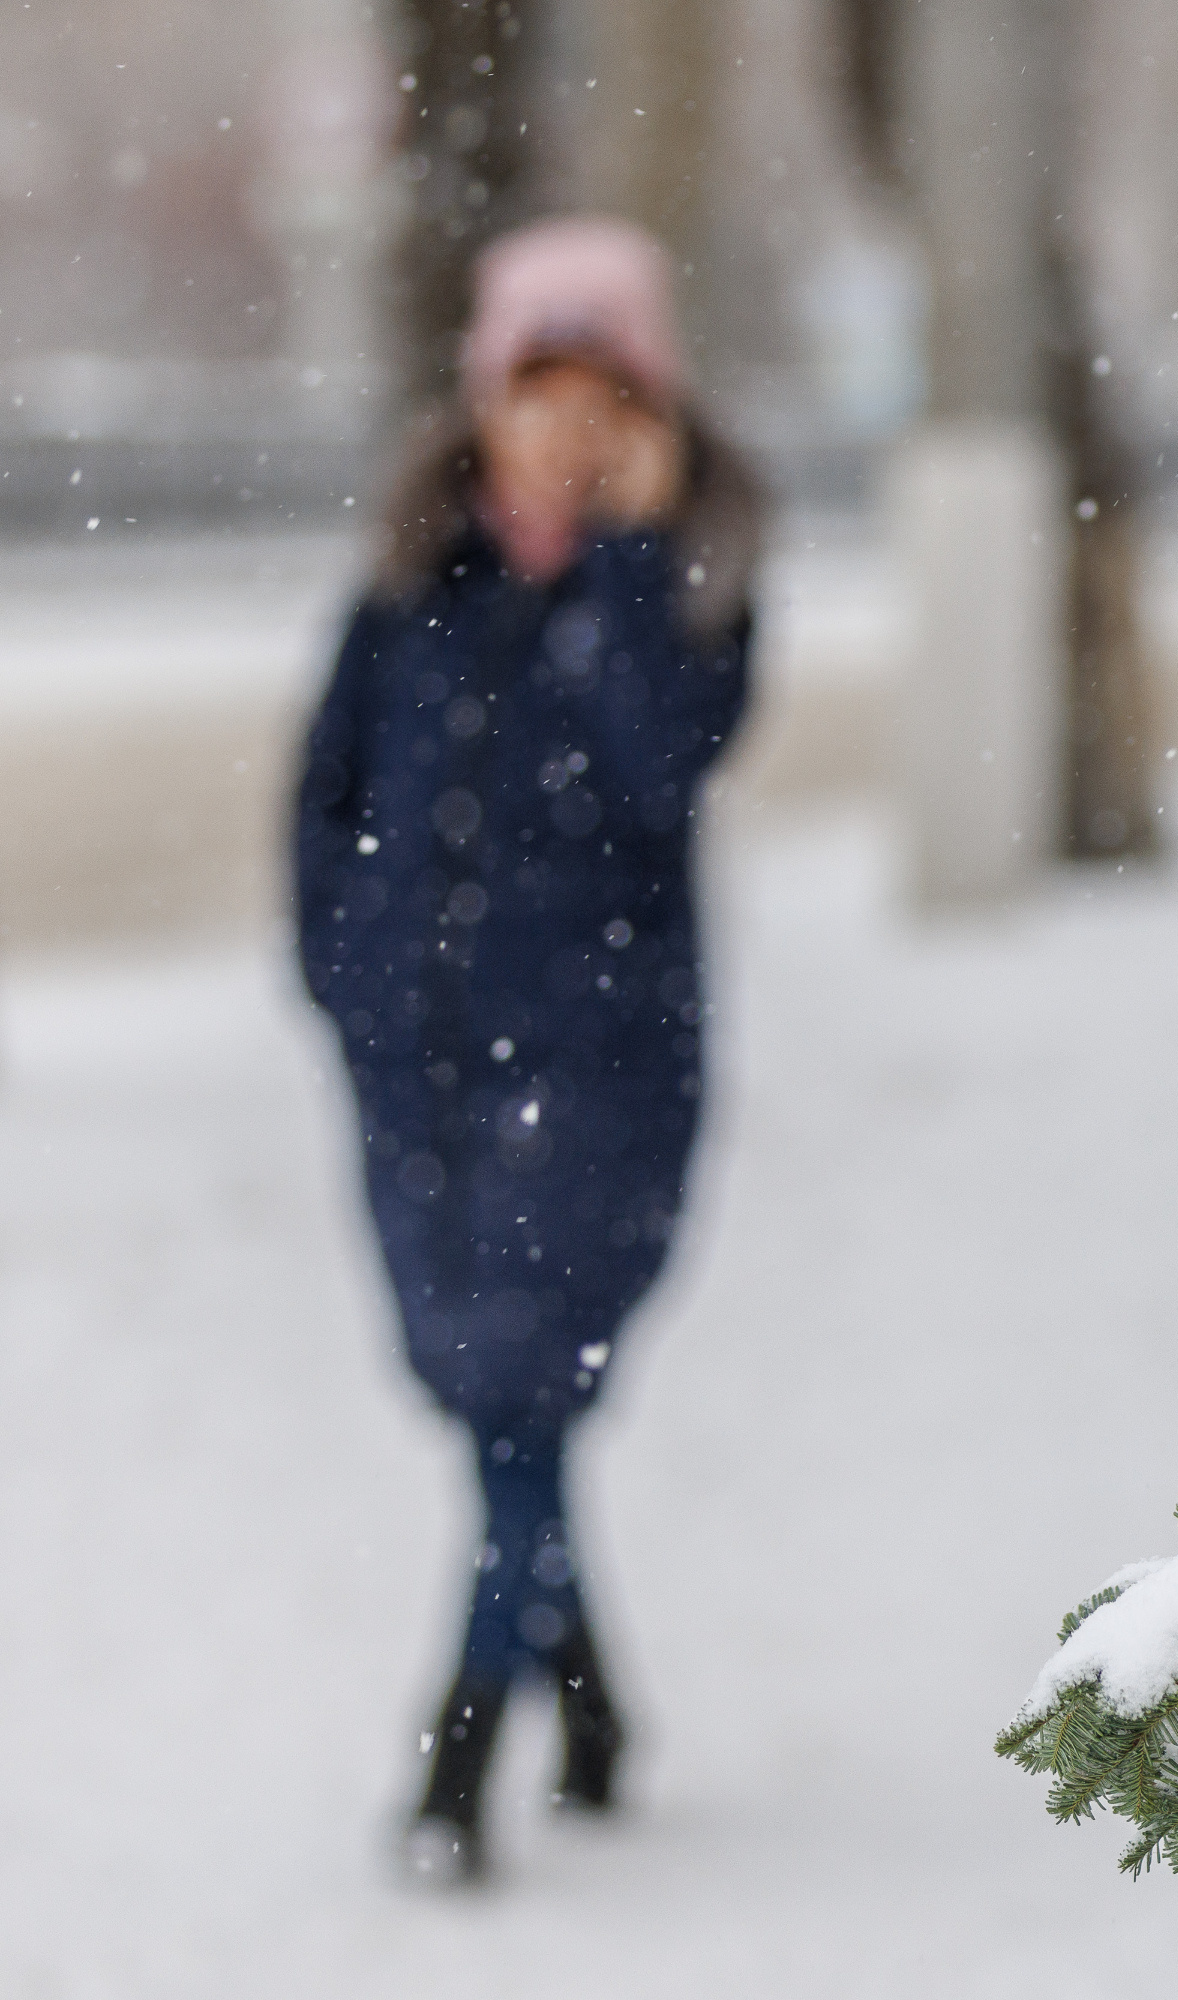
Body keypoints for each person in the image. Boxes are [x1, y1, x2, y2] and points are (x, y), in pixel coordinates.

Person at [292, 217, 763, 1885]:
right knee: (500, 1406)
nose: (563, 427)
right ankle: (593, 1693)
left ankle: (457, 1748)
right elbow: (325, 800)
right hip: (416, 1069)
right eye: (534, 388)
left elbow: (661, 766)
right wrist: (345, 982)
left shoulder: (691, 593)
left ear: (651, 416)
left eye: (602, 393)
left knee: (516, 1387)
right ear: (483, 403)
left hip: (602, 1074)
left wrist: (630, 560)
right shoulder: (411, 586)